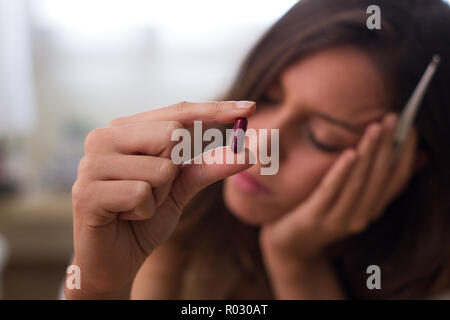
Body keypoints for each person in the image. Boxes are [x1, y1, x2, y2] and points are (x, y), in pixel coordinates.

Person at [66, 0, 450, 299]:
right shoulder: (163, 212)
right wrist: (99, 289)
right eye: (266, 97)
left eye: (323, 137)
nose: (260, 147)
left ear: (403, 160)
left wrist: (295, 262)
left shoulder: (433, 280)